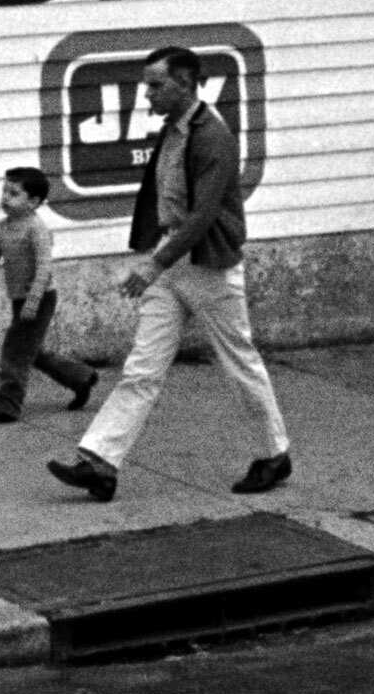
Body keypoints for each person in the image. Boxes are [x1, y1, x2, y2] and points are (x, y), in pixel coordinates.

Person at [48, 46, 292, 502]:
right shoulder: (175, 132)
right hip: (170, 259)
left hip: (208, 266)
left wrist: (154, 263)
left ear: (186, 83)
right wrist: (153, 253)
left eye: (157, 86)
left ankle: (274, 453)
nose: (148, 95)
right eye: (148, 86)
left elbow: (203, 215)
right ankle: (100, 462)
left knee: (239, 362)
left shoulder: (212, 137)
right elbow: (162, 201)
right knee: (142, 367)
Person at [0, 165, 98, 424]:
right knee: (31, 352)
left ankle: (8, 405)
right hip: (20, 300)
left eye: (14, 193)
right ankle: (81, 377)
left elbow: (44, 269)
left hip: (40, 299)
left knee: (15, 351)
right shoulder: (1, 228)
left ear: (33, 202)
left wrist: (33, 302)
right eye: (4, 191)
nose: (5, 197)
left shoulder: (36, 229)